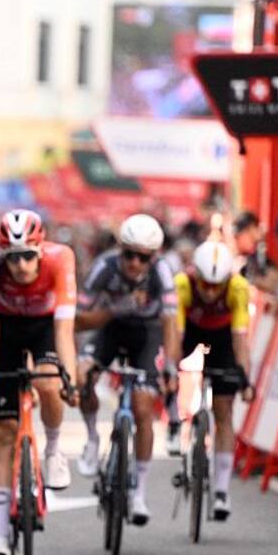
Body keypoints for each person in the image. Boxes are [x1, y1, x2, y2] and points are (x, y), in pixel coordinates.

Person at [0, 210, 79, 555]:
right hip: (4, 332)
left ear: (41, 249)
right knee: (3, 431)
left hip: (43, 328)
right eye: (12, 258)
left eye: (28, 256)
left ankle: (51, 448)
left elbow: (65, 331)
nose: (20, 266)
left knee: (50, 384)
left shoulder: (61, 259)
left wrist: (71, 379)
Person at [74, 214, 180, 524]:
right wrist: (115, 309)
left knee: (144, 407)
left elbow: (171, 324)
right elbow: (80, 319)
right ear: (121, 250)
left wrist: (170, 366)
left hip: (147, 335)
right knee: (83, 375)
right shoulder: (104, 268)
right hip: (110, 326)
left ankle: (139, 494)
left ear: (153, 256)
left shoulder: (162, 272)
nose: (135, 263)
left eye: (143, 257)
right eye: (129, 254)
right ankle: (93, 438)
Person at [173, 241, 255, 519]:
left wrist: (245, 378)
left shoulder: (237, 287)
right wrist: (170, 371)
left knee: (224, 411)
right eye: (205, 284)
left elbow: (240, 339)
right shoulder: (183, 284)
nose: (209, 292)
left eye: (215, 286)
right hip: (192, 332)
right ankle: (175, 423)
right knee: (170, 373)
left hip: (222, 340)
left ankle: (221, 491)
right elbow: (175, 336)